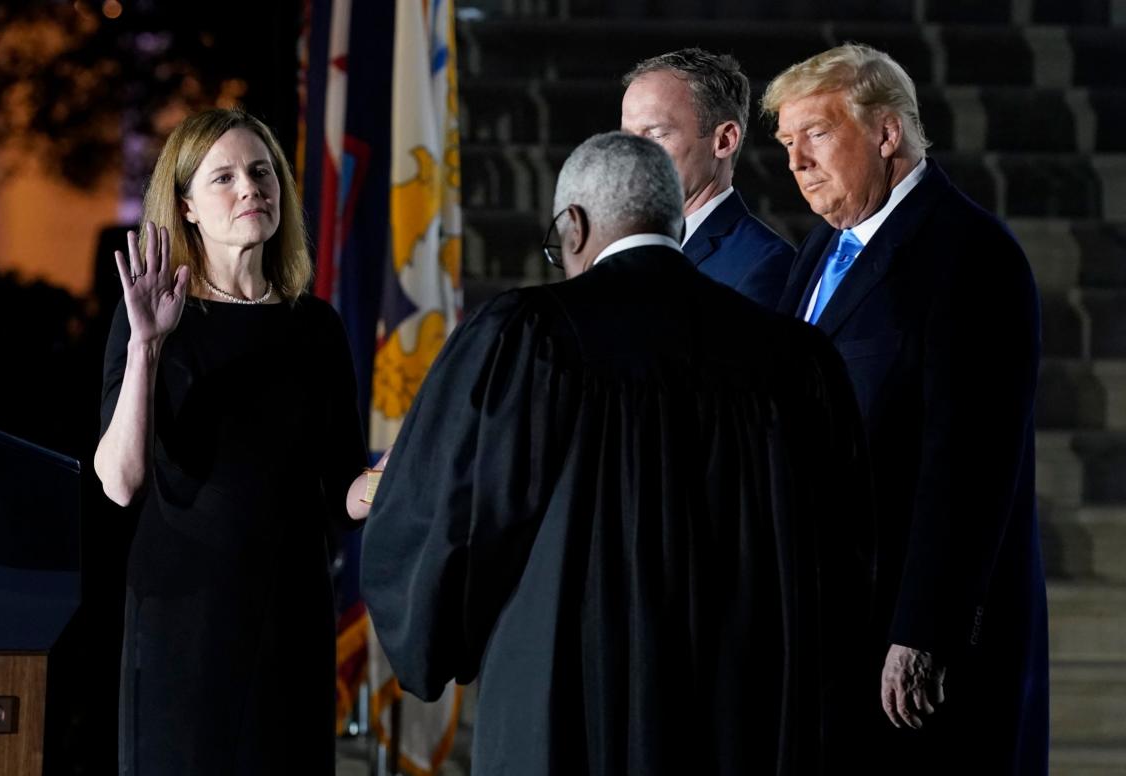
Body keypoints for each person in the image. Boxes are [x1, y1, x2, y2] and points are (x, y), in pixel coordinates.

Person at [359, 132, 873, 775]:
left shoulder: (530, 336)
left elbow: (457, 521)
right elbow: (845, 556)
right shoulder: (795, 357)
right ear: (676, 220)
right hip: (741, 712)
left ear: (572, 227)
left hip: (568, 704)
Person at [764, 44, 1049, 774]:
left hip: (909, 643)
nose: (797, 162)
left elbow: (971, 460)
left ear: (887, 133)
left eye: (816, 135)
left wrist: (924, 629)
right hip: (830, 624)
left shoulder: (969, 253)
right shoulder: (818, 252)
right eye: (787, 144)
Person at [93, 108, 376, 775]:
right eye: (223, 177)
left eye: (261, 170)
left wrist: (399, 472)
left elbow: (343, 494)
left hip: (291, 617)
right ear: (186, 206)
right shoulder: (156, 316)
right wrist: (145, 348)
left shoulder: (316, 327)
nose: (251, 187)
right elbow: (120, 480)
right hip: (183, 622)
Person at [621, 48, 795, 310]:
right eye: (627, 136)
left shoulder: (764, 264)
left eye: (656, 134)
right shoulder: (622, 251)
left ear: (724, 140)